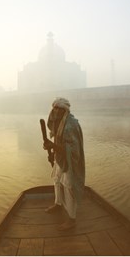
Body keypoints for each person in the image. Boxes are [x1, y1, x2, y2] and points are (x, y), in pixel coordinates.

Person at [43, 97, 85, 230]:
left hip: (70, 159)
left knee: (68, 186)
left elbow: (72, 149)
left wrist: (52, 146)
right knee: (56, 179)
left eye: (57, 108)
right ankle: (58, 203)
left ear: (64, 110)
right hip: (60, 156)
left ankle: (72, 219)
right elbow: (56, 138)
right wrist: (50, 147)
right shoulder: (58, 121)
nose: (54, 111)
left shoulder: (70, 125)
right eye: (53, 108)